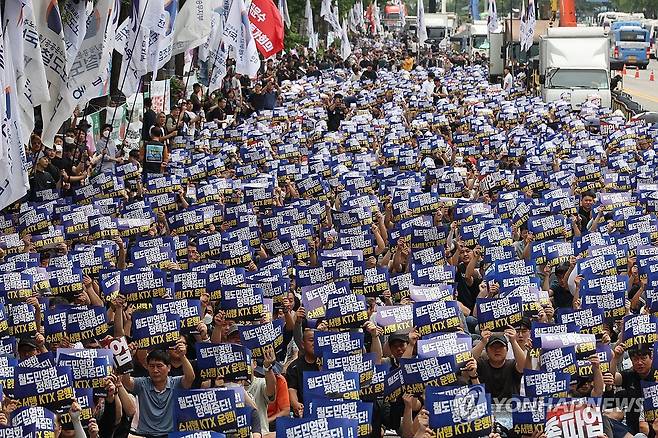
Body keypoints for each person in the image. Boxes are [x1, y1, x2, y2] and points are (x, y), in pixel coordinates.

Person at [121, 339, 195, 437]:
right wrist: (127, 358)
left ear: (169, 368)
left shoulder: (175, 383)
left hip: (169, 434)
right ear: (147, 367)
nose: (155, 370)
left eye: (159, 366)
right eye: (152, 366)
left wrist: (182, 356)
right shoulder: (142, 383)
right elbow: (126, 382)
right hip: (143, 434)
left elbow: (190, 377)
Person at [285, 328, 319, 417]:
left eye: (317, 340)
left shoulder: (328, 363)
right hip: (304, 412)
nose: (315, 343)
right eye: (311, 340)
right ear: (303, 344)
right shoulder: (294, 367)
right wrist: (296, 404)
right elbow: (292, 389)